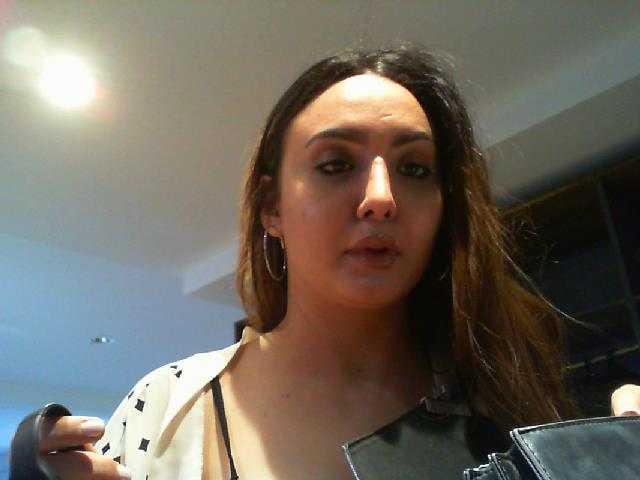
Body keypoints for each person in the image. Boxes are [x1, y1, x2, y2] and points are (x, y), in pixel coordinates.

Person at [29, 45, 640, 480]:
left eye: (415, 169)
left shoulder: (506, 413)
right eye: (335, 165)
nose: (381, 197)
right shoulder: (167, 410)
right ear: (272, 207)